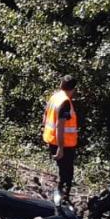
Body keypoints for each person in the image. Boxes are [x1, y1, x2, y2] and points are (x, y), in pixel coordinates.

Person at [42, 76, 79, 204]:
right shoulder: (65, 102)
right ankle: (63, 197)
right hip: (64, 143)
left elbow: (45, 116)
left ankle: (60, 194)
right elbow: (60, 125)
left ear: (61, 85)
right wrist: (61, 147)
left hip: (51, 139)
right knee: (67, 171)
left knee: (62, 169)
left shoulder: (55, 97)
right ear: (73, 89)